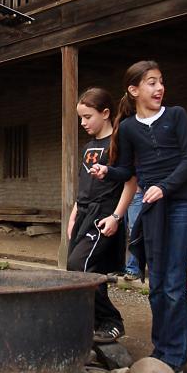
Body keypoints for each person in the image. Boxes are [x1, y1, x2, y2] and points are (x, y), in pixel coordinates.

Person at [90, 61, 187, 373]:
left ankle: (175, 357)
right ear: (134, 90)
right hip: (152, 208)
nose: (159, 88)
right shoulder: (127, 128)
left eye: (161, 81)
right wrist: (108, 171)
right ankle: (160, 350)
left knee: (174, 282)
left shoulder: (176, 115)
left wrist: (164, 187)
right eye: (152, 82)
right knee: (156, 283)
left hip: (180, 204)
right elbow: (128, 170)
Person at [67, 88, 136, 343]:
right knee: (87, 268)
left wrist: (117, 217)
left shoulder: (118, 143)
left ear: (105, 113)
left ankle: (112, 321)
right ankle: (95, 325)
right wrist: (73, 215)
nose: (83, 123)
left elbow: (131, 182)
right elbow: (84, 184)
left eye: (88, 117)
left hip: (103, 214)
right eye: (81, 118)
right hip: (83, 213)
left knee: (79, 265)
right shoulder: (88, 146)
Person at [123, 187, 143, 281]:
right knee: (123, 231)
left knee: (135, 232)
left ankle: (133, 269)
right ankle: (122, 267)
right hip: (122, 191)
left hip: (136, 191)